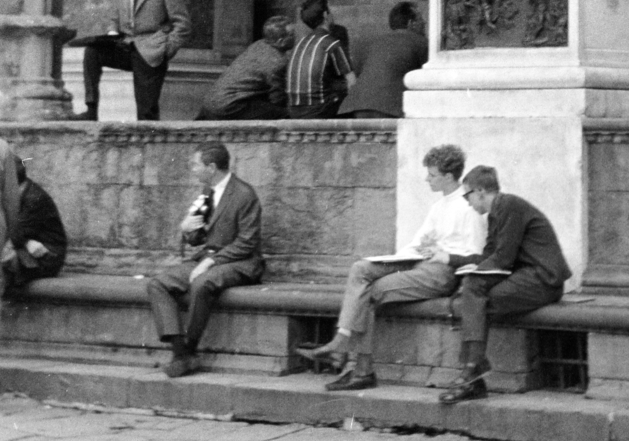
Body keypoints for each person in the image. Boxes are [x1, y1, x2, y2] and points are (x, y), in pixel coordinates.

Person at [295, 143, 486, 392]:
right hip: (417, 261)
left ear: (449, 176)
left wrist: (444, 255)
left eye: (432, 175)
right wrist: (402, 258)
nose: (427, 179)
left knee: (372, 292)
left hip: (441, 272)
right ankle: (343, 341)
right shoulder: (438, 206)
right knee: (360, 268)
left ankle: (358, 367)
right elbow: (418, 242)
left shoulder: (467, 206)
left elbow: (474, 254)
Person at [439, 166, 571, 406]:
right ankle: (473, 374)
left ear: (480, 191)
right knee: (475, 299)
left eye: (467, 196)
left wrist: (472, 275)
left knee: (476, 298)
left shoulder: (509, 205)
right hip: (527, 277)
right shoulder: (496, 213)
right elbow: (488, 257)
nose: (468, 203)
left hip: (543, 279)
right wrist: (453, 260)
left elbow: (503, 259)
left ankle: (472, 372)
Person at [144, 141, 264, 378]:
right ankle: (180, 352)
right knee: (157, 283)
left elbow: (247, 243)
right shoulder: (207, 192)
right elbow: (197, 239)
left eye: (195, 164)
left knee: (202, 283)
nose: (192, 169)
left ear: (211, 167)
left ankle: (190, 347)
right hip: (208, 258)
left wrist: (210, 262)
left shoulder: (244, 194)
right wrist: (187, 229)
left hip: (240, 261)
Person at [80, 0, 192, 121]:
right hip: (125, 46)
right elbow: (114, 18)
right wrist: (112, 33)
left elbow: (183, 25)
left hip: (152, 50)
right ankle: (91, 110)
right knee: (93, 52)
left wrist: (165, 50)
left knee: (146, 113)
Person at [195, 16, 294, 120]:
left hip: (210, 104)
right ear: (281, 41)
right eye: (292, 35)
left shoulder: (258, 45)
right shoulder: (277, 62)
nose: (295, 37)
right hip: (229, 106)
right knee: (285, 116)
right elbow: (278, 99)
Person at [347, 2, 429, 118]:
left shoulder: (370, 43)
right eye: (421, 19)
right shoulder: (421, 42)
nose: (424, 22)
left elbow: (355, 75)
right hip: (391, 109)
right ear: (411, 23)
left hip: (360, 108)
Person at [1, 158, 67, 297]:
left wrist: (22, 240)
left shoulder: (34, 198)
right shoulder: (15, 193)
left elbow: (15, 233)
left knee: (4, 263)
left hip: (47, 256)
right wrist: (26, 241)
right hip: (26, 248)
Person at [285, 0, 357, 119]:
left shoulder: (300, 43)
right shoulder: (331, 43)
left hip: (293, 110)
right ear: (325, 15)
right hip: (318, 110)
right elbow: (352, 83)